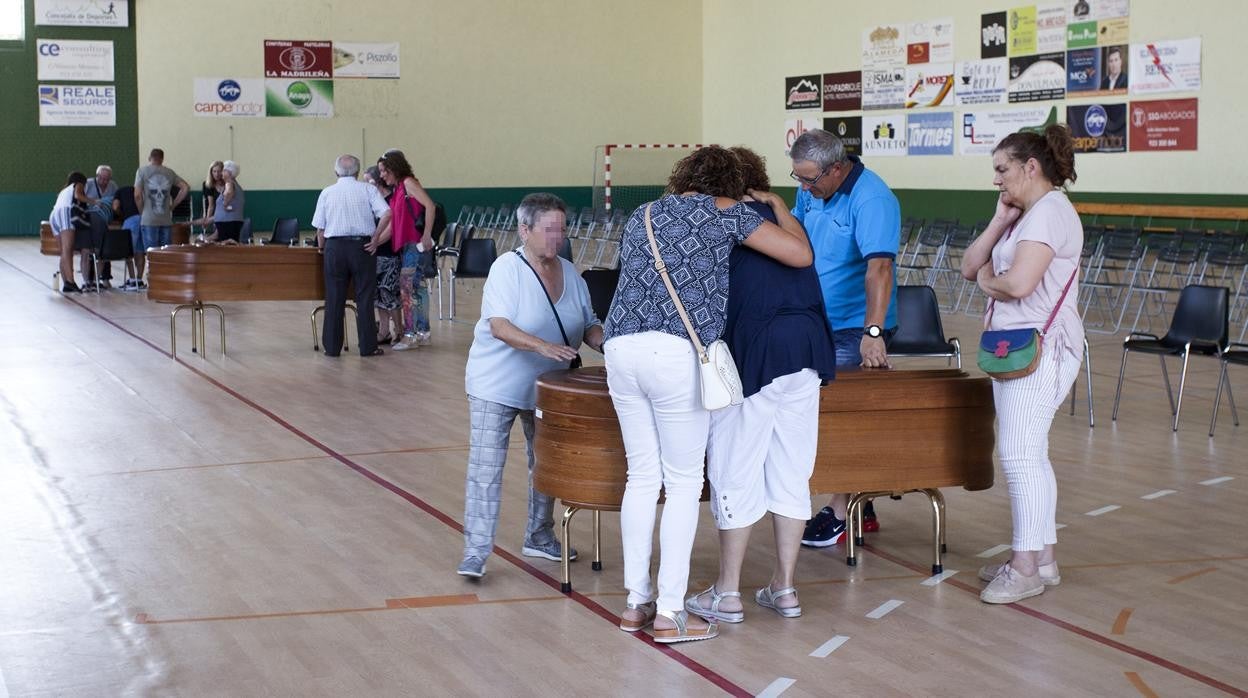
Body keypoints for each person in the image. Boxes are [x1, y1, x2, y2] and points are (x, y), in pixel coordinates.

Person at [603, 146, 812, 644]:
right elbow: (800, 256)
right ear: (732, 183)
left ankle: (636, 602)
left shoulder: (643, 213)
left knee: (640, 476)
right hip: (675, 353)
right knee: (680, 483)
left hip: (620, 347)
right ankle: (672, 612)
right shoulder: (727, 212)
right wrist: (778, 206)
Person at [687, 147, 836, 625]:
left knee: (735, 466)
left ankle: (727, 594)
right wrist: (780, 206)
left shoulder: (720, 219)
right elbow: (803, 260)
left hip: (756, 349)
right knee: (792, 472)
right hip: (808, 351)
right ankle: (784, 588)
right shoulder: (783, 219)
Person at [960, 124, 1084, 604]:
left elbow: (1017, 285)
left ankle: (1026, 565)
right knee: (1030, 452)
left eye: (1002, 170)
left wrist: (992, 278)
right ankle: (1043, 558)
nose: (996, 180)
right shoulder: (1024, 214)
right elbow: (970, 266)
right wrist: (997, 221)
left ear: (1031, 167)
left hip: (1042, 349)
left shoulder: (1050, 213)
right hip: (1016, 347)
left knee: (1018, 454)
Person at [458, 193, 603, 579]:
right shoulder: (507, 269)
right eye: (549, 229)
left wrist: (609, 342)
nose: (558, 237)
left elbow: (588, 325)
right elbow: (499, 326)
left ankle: (539, 536)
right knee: (487, 468)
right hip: (497, 385)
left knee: (547, 464)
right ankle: (475, 551)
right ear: (525, 230)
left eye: (562, 229)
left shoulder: (572, 274)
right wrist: (543, 346)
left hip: (549, 388)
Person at [789, 129, 901, 547]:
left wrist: (873, 333)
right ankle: (860, 503)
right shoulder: (812, 189)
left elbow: (879, 270)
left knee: (836, 415)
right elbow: (798, 237)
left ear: (836, 168)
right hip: (815, 318)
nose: (803, 187)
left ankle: (839, 511)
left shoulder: (873, 199)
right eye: (797, 178)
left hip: (857, 325)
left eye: (809, 179)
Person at [312, 154, 390, 358]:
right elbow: (387, 213)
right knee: (364, 297)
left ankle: (332, 347)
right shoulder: (368, 189)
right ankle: (368, 346)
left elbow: (320, 229)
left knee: (334, 297)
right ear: (357, 171)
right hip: (362, 247)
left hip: (335, 248)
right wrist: (376, 237)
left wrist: (322, 248)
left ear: (336, 171)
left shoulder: (327, 192)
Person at [374, 149, 434, 351]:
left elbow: (430, 206)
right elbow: (393, 227)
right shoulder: (399, 189)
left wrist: (426, 234)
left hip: (414, 244)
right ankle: (423, 332)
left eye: (383, 171)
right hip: (405, 245)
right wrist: (374, 242)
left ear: (393, 168)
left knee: (407, 288)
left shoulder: (408, 183)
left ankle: (410, 335)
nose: (381, 175)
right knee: (417, 287)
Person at [133, 148, 190, 286]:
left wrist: (142, 211)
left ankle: (153, 282)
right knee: (166, 254)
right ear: (162, 158)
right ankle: (165, 281)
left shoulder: (142, 171)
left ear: (149, 157)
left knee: (151, 254)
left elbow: (137, 195)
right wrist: (173, 205)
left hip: (149, 219)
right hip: (166, 219)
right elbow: (185, 188)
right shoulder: (169, 173)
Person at [364, 165, 402, 344]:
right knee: (378, 295)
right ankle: (384, 330)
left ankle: (399, 330)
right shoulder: (371, 200)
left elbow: (391, 229)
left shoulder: (392, 199)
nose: (366, 184)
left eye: (369, 181)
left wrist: (375, 242)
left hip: (389, 254)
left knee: (389, 293)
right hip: (374, 254)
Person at [49, 171, 90, 293]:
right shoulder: (78, 184)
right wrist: (94, 201)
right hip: (65, 212)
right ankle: (71, 282)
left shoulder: (64, 190)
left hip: (54, 215)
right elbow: (78, 196)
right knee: (68, 250)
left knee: (63, 252)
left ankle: (66, 282)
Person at [83, 165, 120, 289]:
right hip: (90, 220)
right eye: (102, 178)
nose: (104, 182)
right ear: (97, 176)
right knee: (91, 250)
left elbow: (116, 202)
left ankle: (105, 278)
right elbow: (80, 198)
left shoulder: (113, 186)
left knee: (105, 249)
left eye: (107, 179)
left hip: (105, 221)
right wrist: (93, 202)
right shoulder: (88, 184)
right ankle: (89, 280)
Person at [206, 161, 245, 243]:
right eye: (214, 171)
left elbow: (229, 194)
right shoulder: (210, 185)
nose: (219, 174)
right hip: (222, 220)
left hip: (228, 221)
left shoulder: (229, 183)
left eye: (222, 171)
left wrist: (225, 203)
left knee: (227, 244)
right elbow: (211, 205)